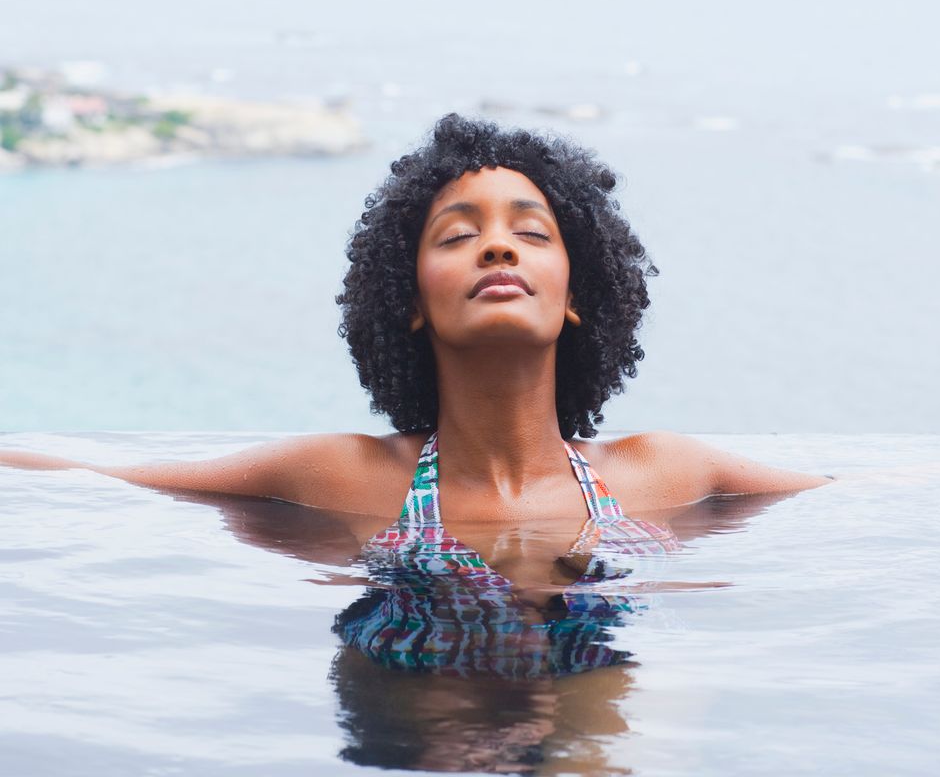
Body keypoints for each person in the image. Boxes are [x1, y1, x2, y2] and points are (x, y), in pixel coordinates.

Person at [1, 114, 830, 564]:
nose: (498, 247)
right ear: (410, 303)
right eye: (457, 234)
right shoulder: (339, 475)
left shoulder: (666, 472)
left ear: (577, 296)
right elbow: (106, 477)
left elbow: (880, 496)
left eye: (532, 233)